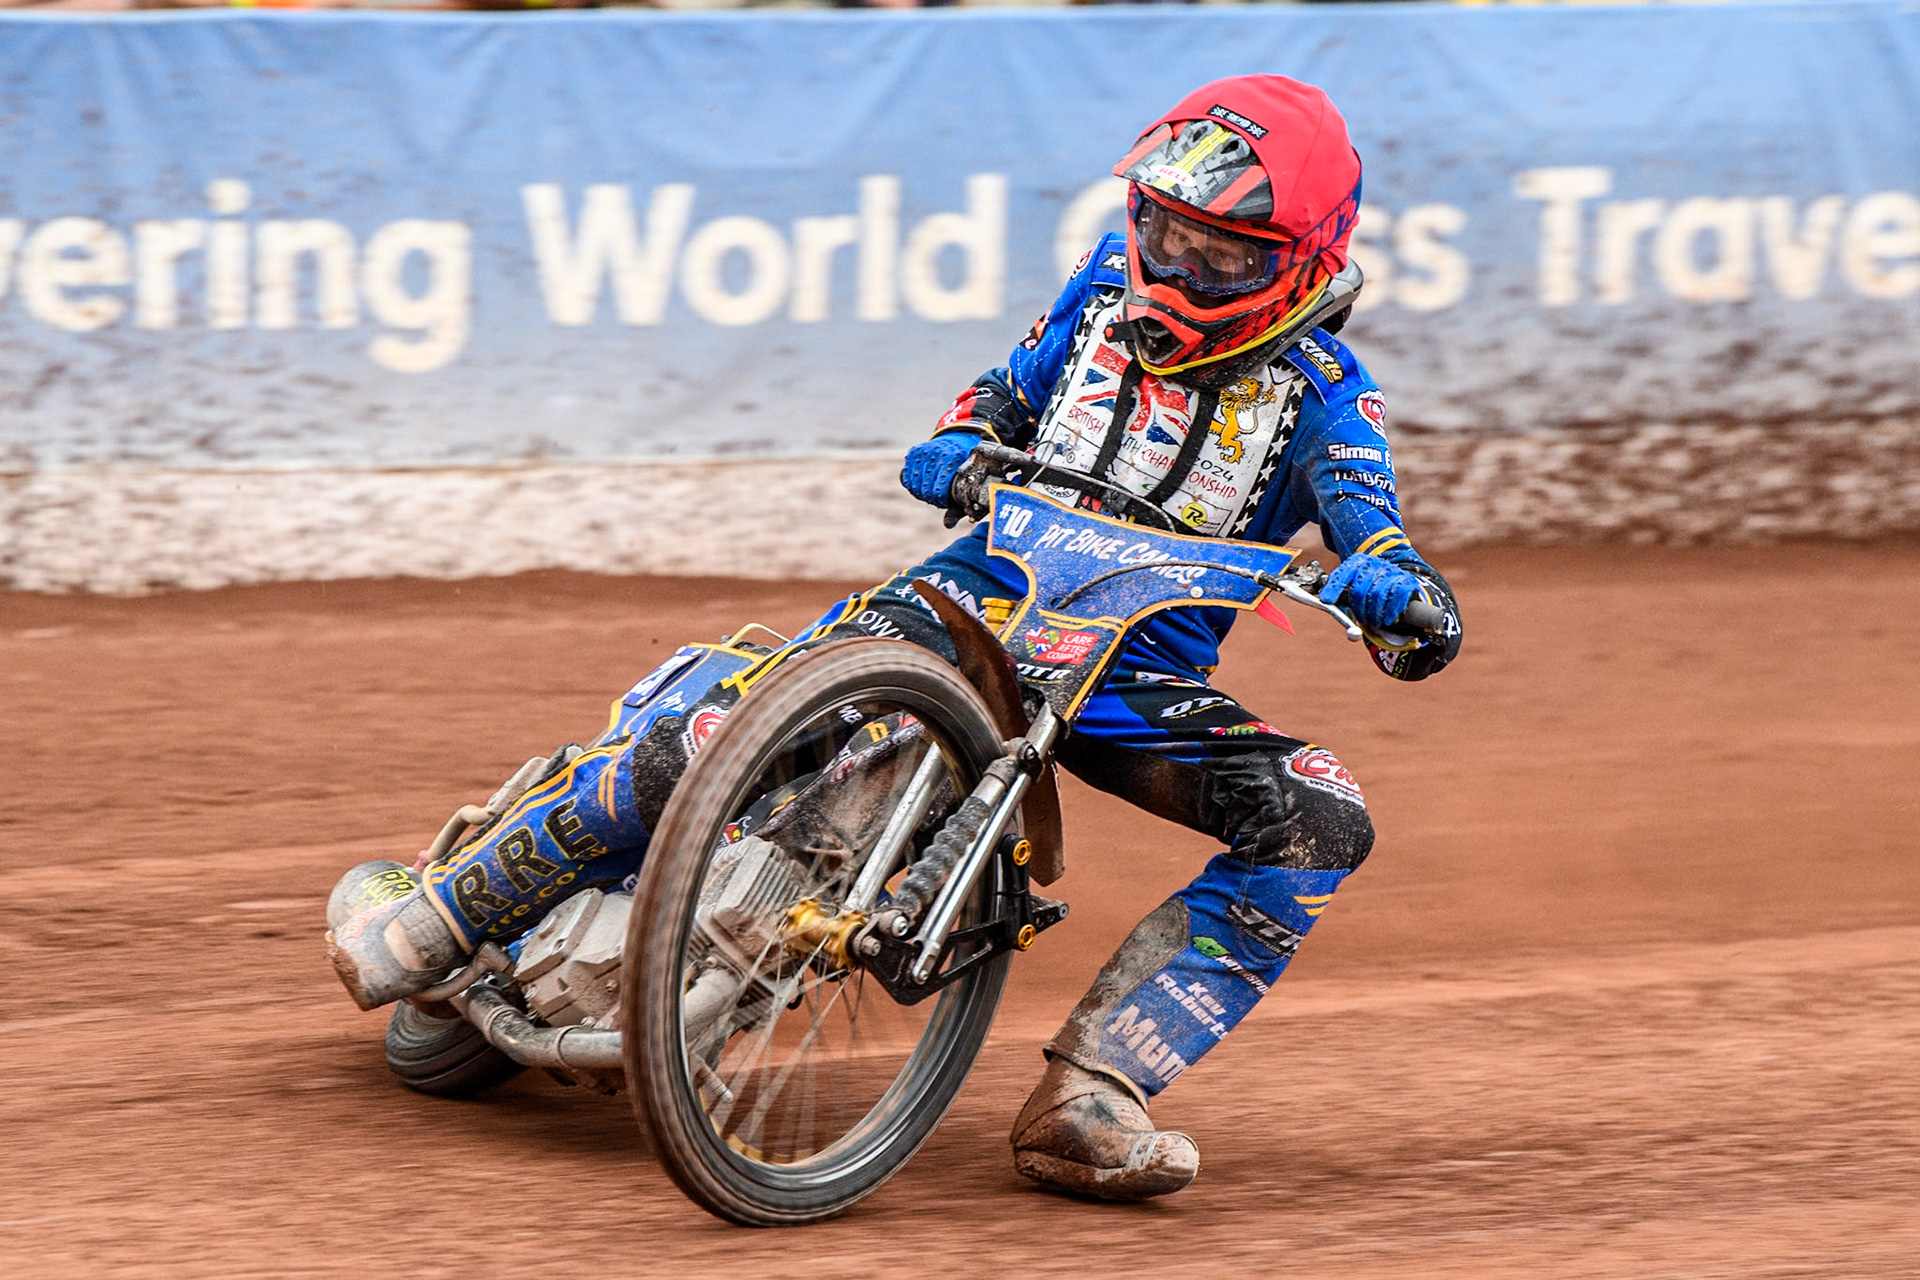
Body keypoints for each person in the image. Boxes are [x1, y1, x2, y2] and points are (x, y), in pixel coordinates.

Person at [327, 73, 1462, 1202]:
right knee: (728, 728)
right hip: (973, 599)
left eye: (1218, 254)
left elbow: (1383, 543)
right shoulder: (1104, 285)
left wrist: (1398, 596)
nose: (1176, 266)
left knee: (1320, 812)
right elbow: (1003, 394)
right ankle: (450, 909)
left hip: (1132, 672)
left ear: (1303, 261)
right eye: (1164, 230)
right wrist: (960, 438)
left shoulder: (1331, 400)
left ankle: (1097, 1088)